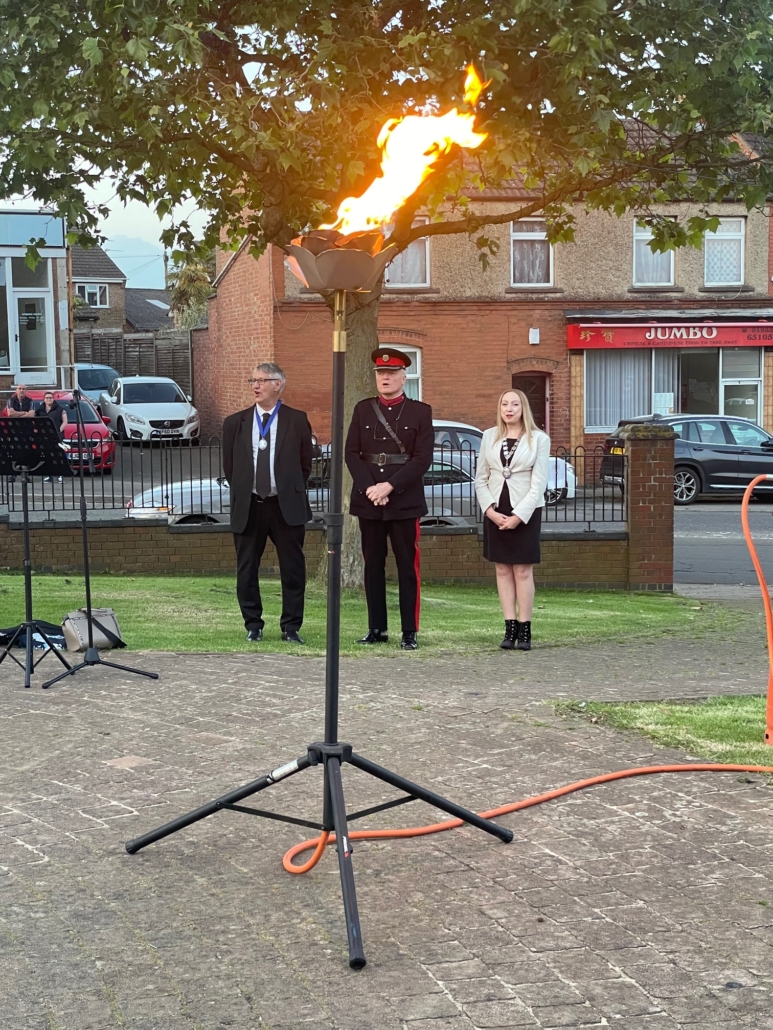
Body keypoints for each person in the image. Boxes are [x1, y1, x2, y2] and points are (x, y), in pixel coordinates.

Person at [345, 348, 433, 650]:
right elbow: (351, 453)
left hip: (403, 500)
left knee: (408, 567)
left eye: (391, 373)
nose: (385, 377)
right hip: (369, 499)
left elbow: (422, 460)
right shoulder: (363, 409)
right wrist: (371, 487)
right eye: (381, 373)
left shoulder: (421, 412)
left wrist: (388, 487)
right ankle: (377, 628)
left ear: (403, 377)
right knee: (373, 566)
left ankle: (409, 631)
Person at [222, 362, 313, 644]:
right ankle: (253, 624)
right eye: (253, 380)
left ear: (278, 384)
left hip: (284, 505)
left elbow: (304, 464)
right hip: (250, 504)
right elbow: (230, 466)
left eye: (262, 380)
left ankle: (291, 626)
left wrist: (286, 487)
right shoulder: (235, 423)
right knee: (247, 568)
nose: (256, 386)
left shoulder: (296, 419)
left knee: (293, 568)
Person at [475, 389, 550, 651]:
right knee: (502, 569)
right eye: (505, 404)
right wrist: (490, 511)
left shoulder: (539, 439)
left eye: (515, 404)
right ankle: (509, 628)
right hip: (496, 508)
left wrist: (519, 516)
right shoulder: (488, 436)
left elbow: (539, 483)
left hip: (525, 509)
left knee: (522, 569)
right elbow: (480, 479)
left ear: (523, 408)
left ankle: (525, 629)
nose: (509, 409)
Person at [35, 391, 68, 482]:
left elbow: (65, 422)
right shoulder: (40, 410)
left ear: (53, 399)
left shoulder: (60, 409)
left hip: (57, 436)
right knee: (48, 456)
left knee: (58, 455)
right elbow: (35, 420)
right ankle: (49, 476)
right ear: (44, 399)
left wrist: (58, 431)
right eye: (47, 398)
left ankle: (60, 475)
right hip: (45, 437)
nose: (49, 399)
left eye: (50, 398)